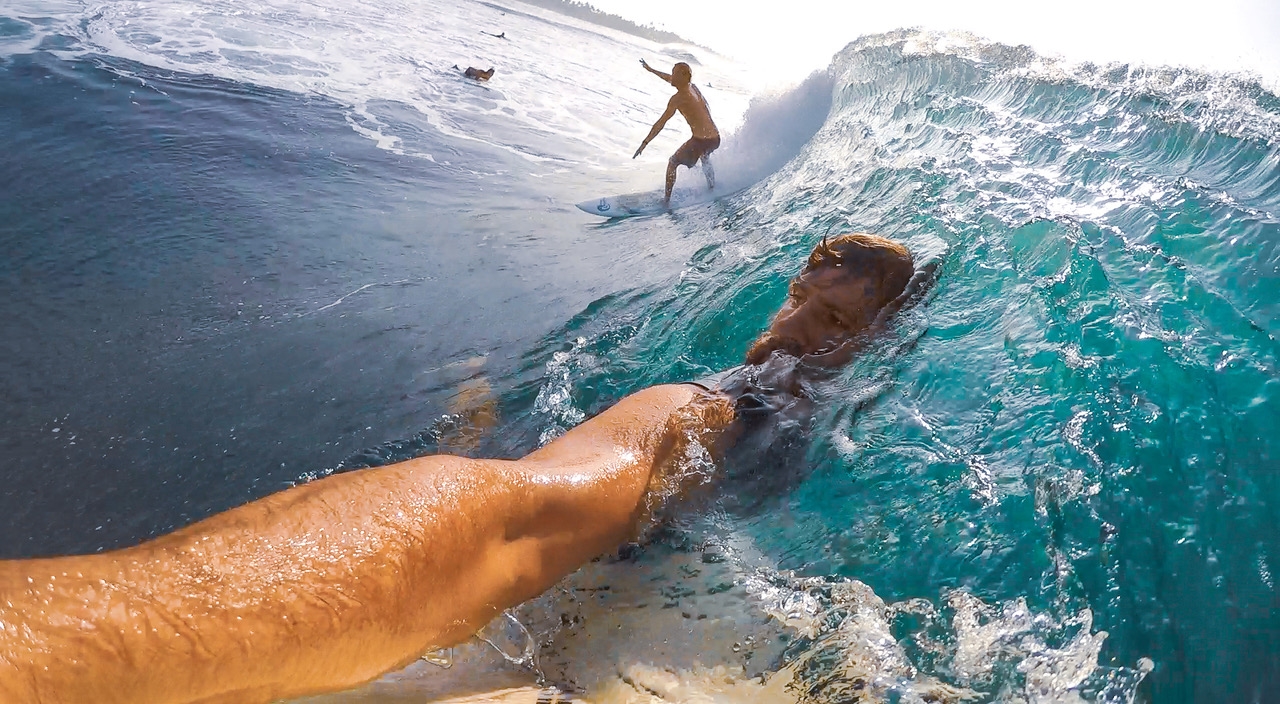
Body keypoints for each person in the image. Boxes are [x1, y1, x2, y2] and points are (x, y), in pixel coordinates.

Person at [0, 234, 917, 704]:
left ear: (874, 338)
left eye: (833, 323)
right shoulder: (721, 405)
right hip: (645, 520)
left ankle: (472, 415)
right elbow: (512, 519)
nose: (795, 324)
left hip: (651, 556)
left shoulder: (782, 409)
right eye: (800, 295)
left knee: (519, 481)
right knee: (527, 493)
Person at [633, 60, 721, 206]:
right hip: (715, 138)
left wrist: (644, 143)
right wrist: (651, 70)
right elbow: (669, 79)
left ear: (683, 77)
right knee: (704, 156)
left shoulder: (678, 99)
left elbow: (661, 123)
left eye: (674, 73)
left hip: (701, 140)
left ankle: (666, 201)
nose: (671, 76)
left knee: (673, 162)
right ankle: (712, 187)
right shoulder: (693, 88)